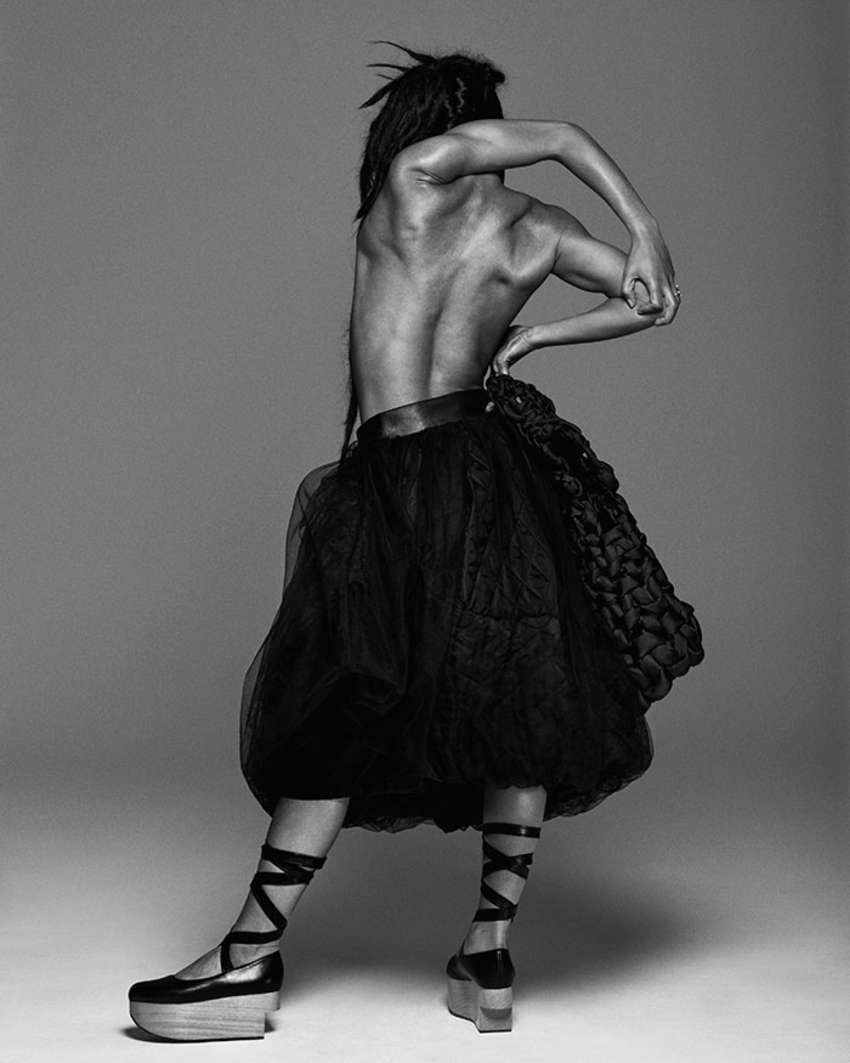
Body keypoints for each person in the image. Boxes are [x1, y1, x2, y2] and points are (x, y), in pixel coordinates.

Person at [129, 42, 688, 1040]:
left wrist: (641, 225)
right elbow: (654, 301)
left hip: (395, 472)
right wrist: (541, 330)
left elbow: (562, 135)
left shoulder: (412, 181)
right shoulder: (539, 230)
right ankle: (487, 950)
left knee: (346, 698)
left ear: (435, 126)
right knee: (517, 697)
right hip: (488, 471)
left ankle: (248, 956)